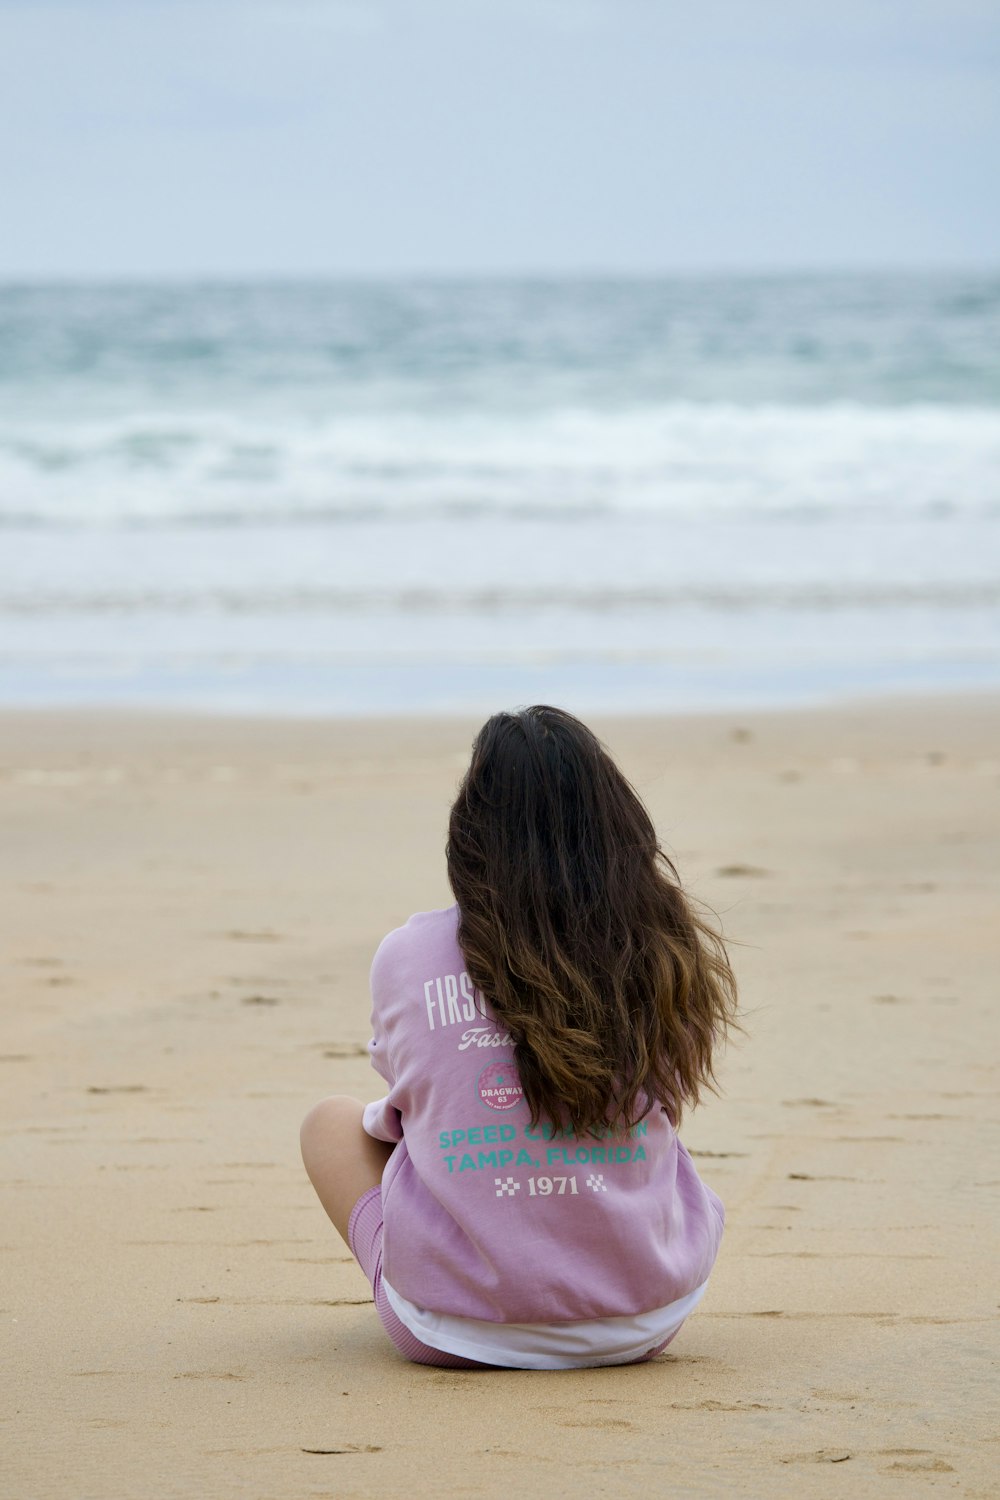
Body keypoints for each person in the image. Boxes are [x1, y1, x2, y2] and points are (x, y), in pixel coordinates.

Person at [300, 705, 738, 1370]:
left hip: (449, 1333)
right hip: (643, 1317)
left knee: (332, 1124)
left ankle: (446, 1277)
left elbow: (409, 1100)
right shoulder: (655, 943)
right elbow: (670, 1096)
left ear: (469, 833)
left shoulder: (409, 953)